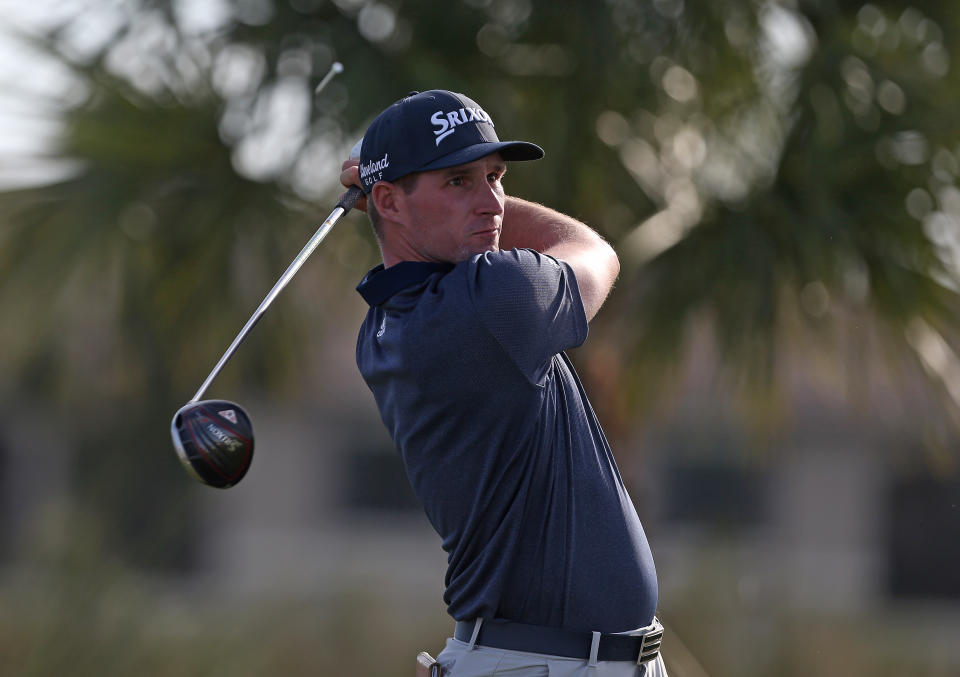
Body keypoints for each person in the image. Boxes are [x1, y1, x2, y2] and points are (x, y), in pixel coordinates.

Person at [340, 90, 666, 677]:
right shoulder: (492, 302)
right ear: (386, 202)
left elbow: (467, 228)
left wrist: (403, 198)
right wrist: (386, 192)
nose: (493, 202)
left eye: (496, 177)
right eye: (459, 181)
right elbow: (595, 251)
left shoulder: (383, 326)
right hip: (544, 665)